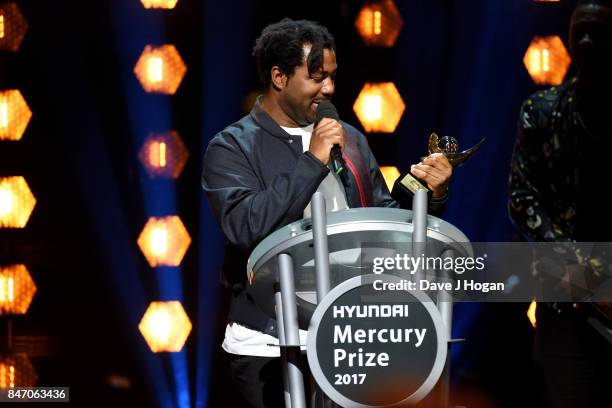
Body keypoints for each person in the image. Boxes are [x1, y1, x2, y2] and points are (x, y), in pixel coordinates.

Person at [202, 18, 453, 408]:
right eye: (317, 77)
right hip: (271, 341)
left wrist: (427, 193)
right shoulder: (231, 147)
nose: (330, 88)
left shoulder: (348, 137)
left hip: (351, 334)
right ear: (279, 76)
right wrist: (312, 159)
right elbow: (245, 225)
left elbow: (381, 218)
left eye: (332, 76)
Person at [509, 0, 612, 406]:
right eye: (578, 33)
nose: (586, 42)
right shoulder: (544, 111)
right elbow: (521, 199)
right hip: (566, 298)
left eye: (598, 32)